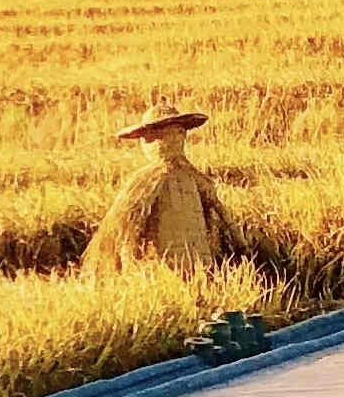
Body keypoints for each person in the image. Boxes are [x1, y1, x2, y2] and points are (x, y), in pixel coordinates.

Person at [81, 105, 239, 278]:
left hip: (200, 263)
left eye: (180, 131)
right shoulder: (146, 182)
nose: (178, 136)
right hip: (165, 267)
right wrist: (128, 262)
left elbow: (220, 211)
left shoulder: (193, 177)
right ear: (150, 139)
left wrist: (240, 243)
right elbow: (129, 228)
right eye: (170, 132)